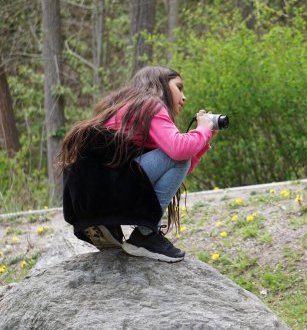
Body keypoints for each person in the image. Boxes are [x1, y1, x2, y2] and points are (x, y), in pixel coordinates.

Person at [58, 66, 218, 263]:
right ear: (160, 84)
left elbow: (176, 166)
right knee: (177, 154)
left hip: (85, 195)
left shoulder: (122, 107)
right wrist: (202, 130)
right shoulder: (151, 104)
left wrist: (202, 140)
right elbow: (178, 151)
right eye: (179, 87)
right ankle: (145, 233)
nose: (184, 97)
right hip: (107, 185)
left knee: (177, 158)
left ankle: (106, 223)